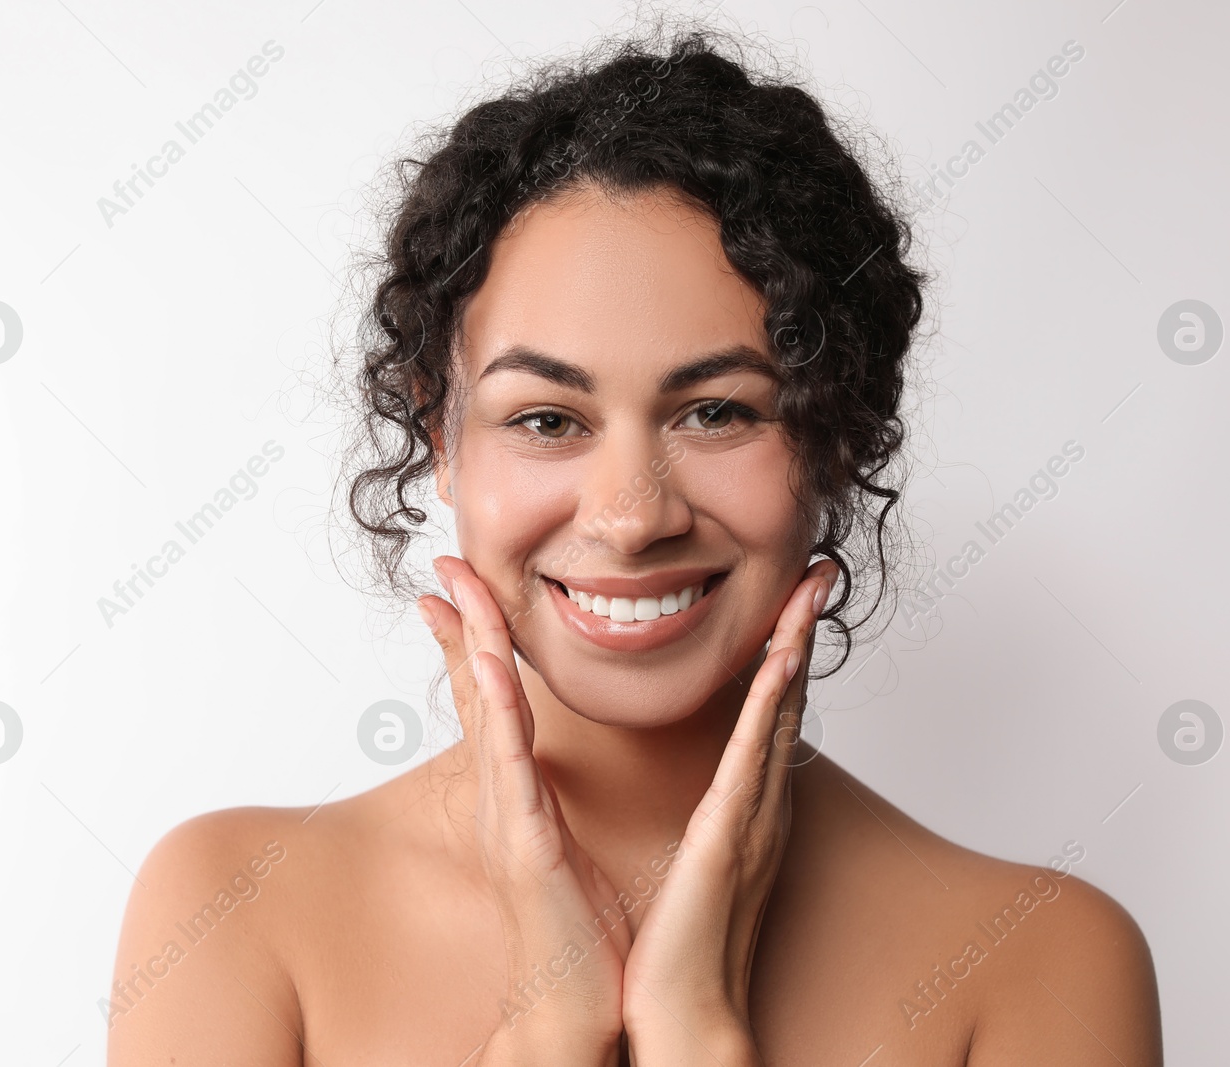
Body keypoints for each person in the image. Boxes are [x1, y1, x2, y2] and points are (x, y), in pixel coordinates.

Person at [107, 25, 1161, 1066]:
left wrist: (698, 1030)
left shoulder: (1039, 960)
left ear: (835, 436)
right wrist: (551, 1027)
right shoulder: (233, 915)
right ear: (442, 441)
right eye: (548, 419)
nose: (630, 515)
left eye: (715, 411)